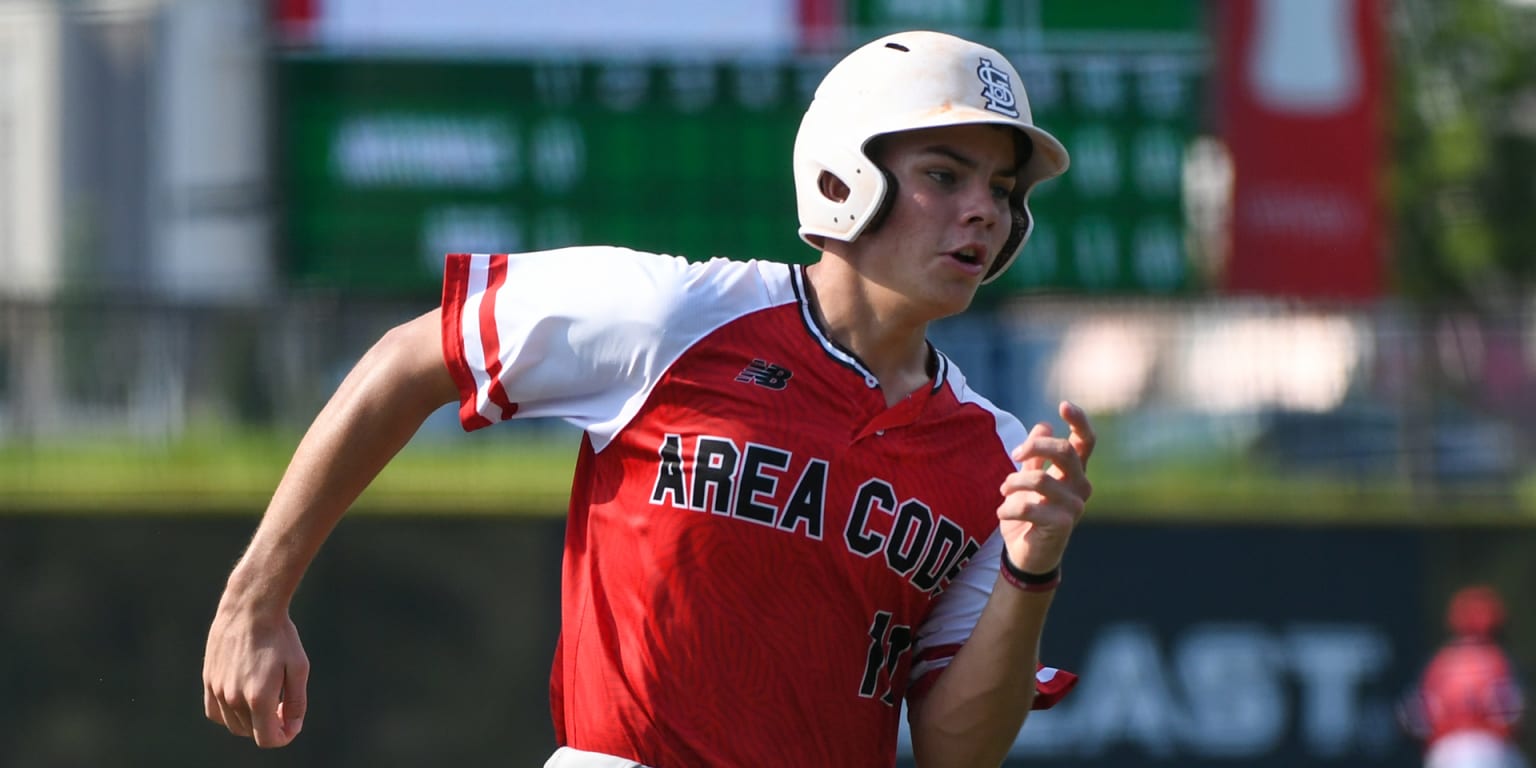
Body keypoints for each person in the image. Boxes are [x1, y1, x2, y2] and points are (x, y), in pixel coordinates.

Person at [203, 29, 1095, 767]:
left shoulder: (997, 458)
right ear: (839, 177)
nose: (986, 210)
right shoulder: (677, 316)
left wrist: (1032, 566)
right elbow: (411, 359)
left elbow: (955, 752)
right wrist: (255, 598)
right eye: (946, 174)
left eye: (1004, 191)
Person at [1399, 585, 1528, 768]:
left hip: (1444, 751)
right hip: (1489, 749)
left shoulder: (1438, 662)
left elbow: (1412, 719)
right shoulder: (1498, 660)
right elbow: (1513, 717)